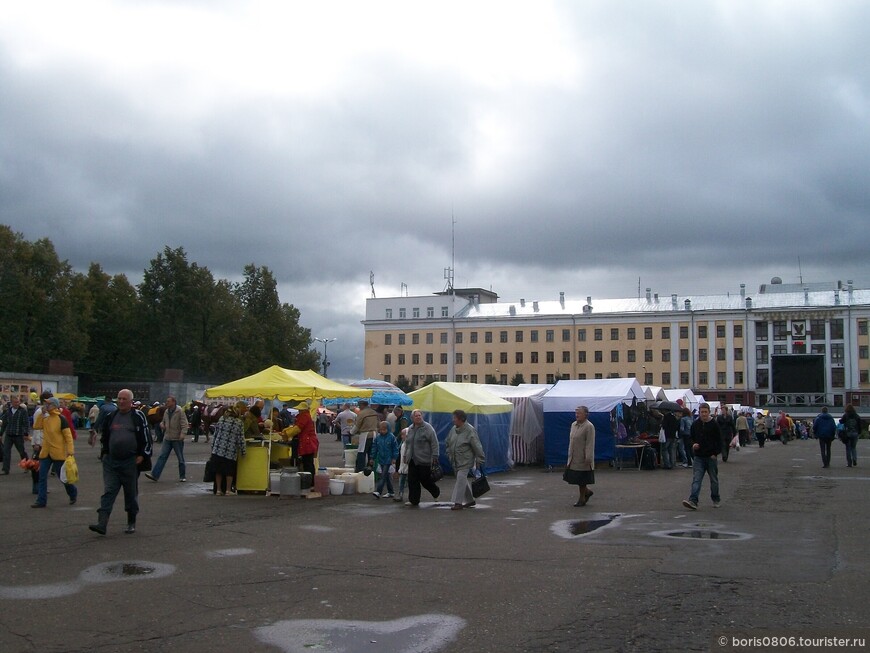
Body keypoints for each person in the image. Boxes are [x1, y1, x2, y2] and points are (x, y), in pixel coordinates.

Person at [90, 389, 152, 534]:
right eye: (119, 399)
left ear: (131, 401)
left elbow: (146, 437)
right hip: (111, 462)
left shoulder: (138, 416)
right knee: (109, 491)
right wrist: (104, 453)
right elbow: (105, 436)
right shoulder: (112, 416)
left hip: (130, 462)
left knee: (130, 494)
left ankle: (131, 521)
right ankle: (102, 523)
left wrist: (143, 455)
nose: (121, 401)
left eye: (124, 399)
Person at [31, 397, 77, 508]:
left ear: (54, 406)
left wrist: (70, 451)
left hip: (58, 453)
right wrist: (41, 415)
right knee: (42, 477)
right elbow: (36, 426)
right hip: (45, 452)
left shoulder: (61, 419)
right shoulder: (45, 419)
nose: (46, 406)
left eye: (48, 404)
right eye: (45, 404)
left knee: (62, 477)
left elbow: (68, 437)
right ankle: (41, 501)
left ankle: (72, 493)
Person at [682, 402, 723, 510]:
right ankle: (693, 501)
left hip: (711, 457)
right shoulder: (695, 424)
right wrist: (693, 444)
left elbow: (719, 440)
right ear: (699, 413)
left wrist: (716, 453)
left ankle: (716, 498)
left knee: (713, 479)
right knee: (697, 479)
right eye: (702, 412)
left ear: (709, 412)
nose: (703, 414)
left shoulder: (714, 424)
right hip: (699, 457)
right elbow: (691, 438)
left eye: (705, 412)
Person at [445, 409, 486, 510]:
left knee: (460, 478)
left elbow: (477, 445)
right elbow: (448, 441)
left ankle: (457, 502)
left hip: (465, 460)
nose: (453, 420)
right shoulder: (453, 429)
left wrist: (479, 459)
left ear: (461, 419)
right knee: (462, 479)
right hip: (455, 460)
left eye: (454, 418)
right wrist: (449, 453)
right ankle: (470, 500)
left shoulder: (470, 430)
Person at [145, 395, 190, 482]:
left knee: (180, 458)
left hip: (177, 438)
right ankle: (154, 475)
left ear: (173, 402)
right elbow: (163, 421)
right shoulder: (166, 411)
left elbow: (185, 424)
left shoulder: (180, 411)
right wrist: (162, 424)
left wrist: (183, 434)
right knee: (162, 456)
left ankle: (182, 476)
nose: (166, 403)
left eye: (168, 401)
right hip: (167, 438)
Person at [402, 409, 441, 506]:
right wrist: (405, 455)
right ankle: (414, 500)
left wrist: (435, 456)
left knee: (425, 480)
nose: (418, 417)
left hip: (424, 460)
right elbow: (408, 443)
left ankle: (436, 492)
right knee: (412, 480)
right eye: (416, 416)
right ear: (412, 418)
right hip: (412, 459)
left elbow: (434, 443)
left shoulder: (428, 428)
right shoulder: (410, 429)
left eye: (420, 415)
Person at [210, 401, 247, 495]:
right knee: (229, 471)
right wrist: (243, 451)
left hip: (218, 449)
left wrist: (213, 446)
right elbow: (241, 438)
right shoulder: (239, 422)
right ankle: (228, 490)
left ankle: (218, 490)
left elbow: (215, 434)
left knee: (218, 471)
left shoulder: (222, 419)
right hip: (230, 451)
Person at [564, 406, 595, 506]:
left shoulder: (589, 426)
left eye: (579, 413)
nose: (577, 415)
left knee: (582, 479)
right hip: (574, 457)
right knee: (575, 477)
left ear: (586, 414)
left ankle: (582, 499)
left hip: (583, 457)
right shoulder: (573, 425)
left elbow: (590, 443)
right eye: (576, 413)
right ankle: (587, 492)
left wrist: (588, 457)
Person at [1, 395, 30, 474]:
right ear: (12, 403)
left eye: (18, 402)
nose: (17, 403)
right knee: (6, 452)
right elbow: (4, 423)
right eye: (15, 402)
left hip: (18, 435)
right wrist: (1, 434)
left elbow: (26, 423)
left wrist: (26, 434)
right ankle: (5, 470)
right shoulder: (8, 411)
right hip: (9, 434)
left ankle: (27, 466)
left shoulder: (22, 411)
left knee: (22, 452)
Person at [370, 421, 399, 498]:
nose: (382, 431)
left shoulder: (391, 437)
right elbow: (374, 448)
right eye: (381, 429)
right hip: (381, 459)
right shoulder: (378, 438)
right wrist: (372, 457)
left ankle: (378, 491)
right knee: (386, 476)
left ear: (388, 429)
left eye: (384, 429)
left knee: (383, 476)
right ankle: (391, 492)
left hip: (388, 460)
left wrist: (394, 458)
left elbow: (395, 449)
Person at [351, 400, 379, 472]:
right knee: (371, 454)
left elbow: (357, 425)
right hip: (374, 434)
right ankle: (371, 470)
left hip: (365, 435)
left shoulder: (362, 413)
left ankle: (360, 470)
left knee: (361, 454)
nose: (359, 407)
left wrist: (351, 432)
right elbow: (378, 423)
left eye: (359, 405)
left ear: (362, 405)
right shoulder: (374, 412)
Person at [294, 401, 319, 477]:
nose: (299, 411)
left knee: (307, 463)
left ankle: (310, 481)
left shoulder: (304, 416)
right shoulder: (307, 416)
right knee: (309, 462)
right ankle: (311, 481)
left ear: (303, 410)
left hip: (307, 443)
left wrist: (287, 433)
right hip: (309, 442)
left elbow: (298, 428)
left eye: (300, 410)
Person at [394, 428, 409, 502]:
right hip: (403, 468)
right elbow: (399, 458)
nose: (402, 436)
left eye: (403, 435)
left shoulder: (409, 445)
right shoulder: (402, 445)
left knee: (410, 482)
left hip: (409, 468)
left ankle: (411, 495)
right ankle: (400, 494)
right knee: (401, 481)